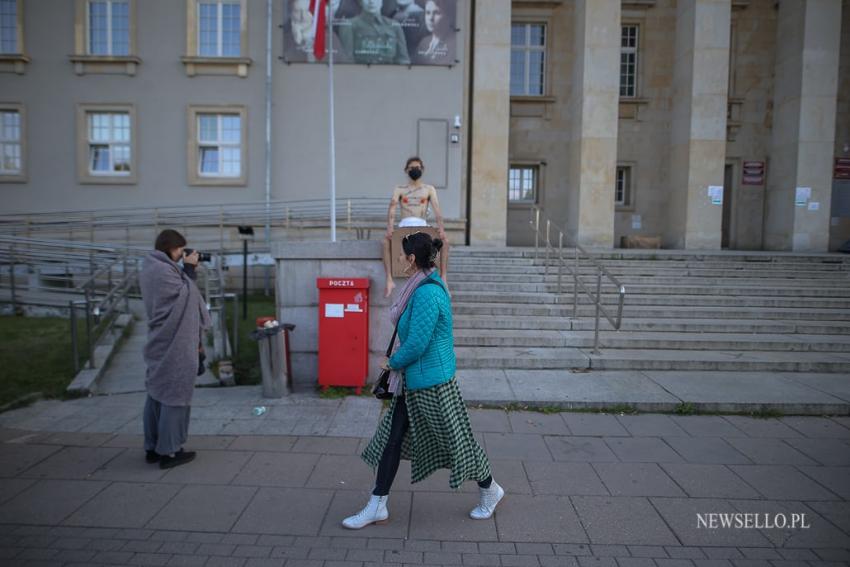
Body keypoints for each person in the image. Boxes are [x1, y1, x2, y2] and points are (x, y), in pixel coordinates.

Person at [342, 233, 504, 529]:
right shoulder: (417, 285)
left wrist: (390, 363)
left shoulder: (428, 292)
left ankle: (490, 490)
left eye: (403, 255)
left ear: (413, 259)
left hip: (433, 384)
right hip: (411, 383)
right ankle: (377, 504)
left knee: (458, 444)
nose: (400, 259)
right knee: (390, 440)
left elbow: (417, 342)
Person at [139, 229, 211, 470]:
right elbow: (187, 299)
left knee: (156, 393)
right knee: (175, 395)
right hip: (175, 343)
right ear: (170, 248)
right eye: (181, 250)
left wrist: (186, 271)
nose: (183, 255)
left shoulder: (152, 267)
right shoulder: (163, 271)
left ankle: (152, 447)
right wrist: (189, 270)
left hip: (161, 339)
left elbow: (180, 294)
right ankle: (169, 453)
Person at [383, 156, 448, 297]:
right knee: (385, 242)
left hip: (422, 223)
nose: (415, 170)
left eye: (417, 167)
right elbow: (392, 207)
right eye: (412, 168)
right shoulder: (400, 189)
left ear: (422, 169)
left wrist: (441, 229)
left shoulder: (429, 189)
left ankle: (443, 277)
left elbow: (437, 209)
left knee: (445, 242)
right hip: (405, 223)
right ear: (406, 170)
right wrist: (390, 227)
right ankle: (389, 279)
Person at [338, 0, 410, 65]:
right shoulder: (349, 25)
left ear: (382, 1)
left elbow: (403, 59)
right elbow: (347, 60)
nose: (371, 1)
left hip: (390, 74)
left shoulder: (394, 26)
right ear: (360, 2)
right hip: (362, 73)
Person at [413, 0, 455, 65]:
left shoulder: (454, 44)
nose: (430, 18)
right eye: (428, 13)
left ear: (448, 17)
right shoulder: (424, 43)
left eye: (437, 13)